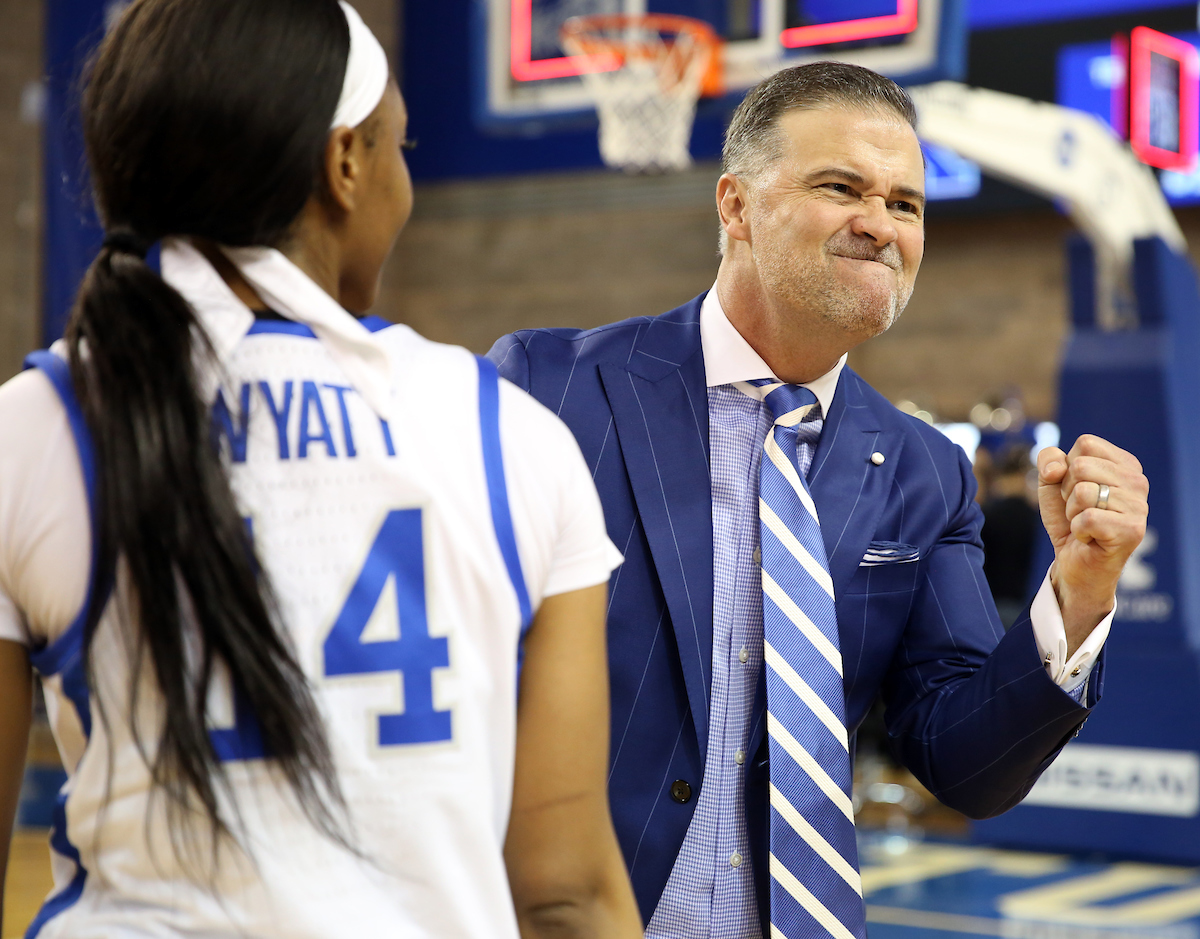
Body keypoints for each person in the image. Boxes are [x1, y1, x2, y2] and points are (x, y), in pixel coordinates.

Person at [0, 1, 643, 937]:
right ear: (345, 165)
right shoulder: (510, 433)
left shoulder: (32, 427)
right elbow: (565, 894)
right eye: (400, 146)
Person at [488, 62, 1149, 939]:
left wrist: (1080, 592)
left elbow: (966, 765)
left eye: (906, 204)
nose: (879, 225)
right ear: (736, 207)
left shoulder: (923, 472)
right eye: (842, 187)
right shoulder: (550, 388)